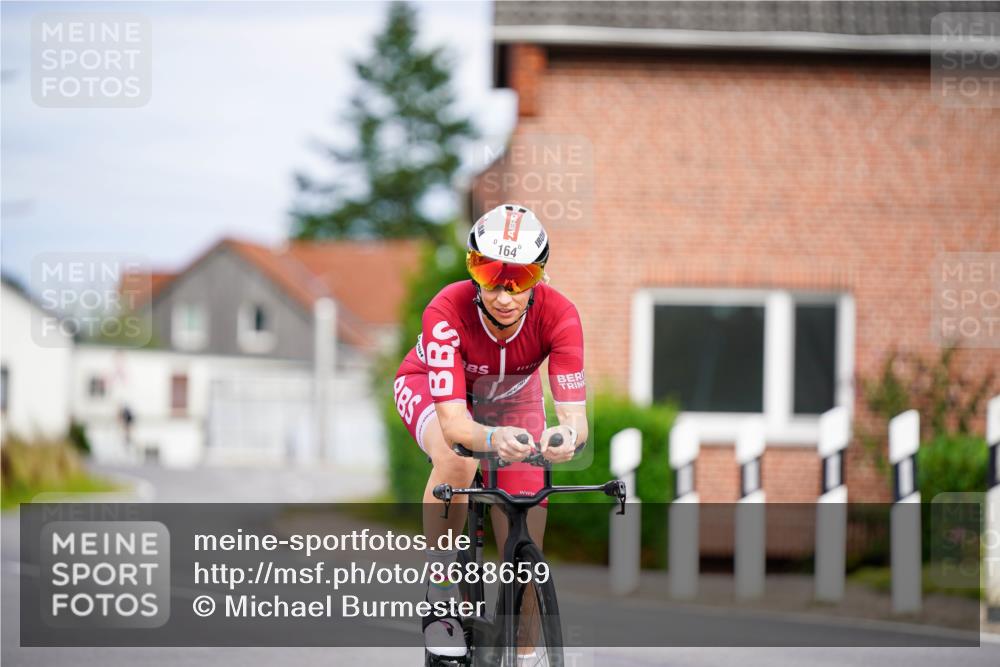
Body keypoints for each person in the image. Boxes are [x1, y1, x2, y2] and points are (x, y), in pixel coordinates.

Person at [393, 204, 589, 660]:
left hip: (513, 399)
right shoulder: (446, 309)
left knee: (526, 538)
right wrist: (490, 439)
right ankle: (441, 591)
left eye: (518, 279)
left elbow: (574, 419)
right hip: (435, 388)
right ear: (472, 270)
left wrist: (565, 437)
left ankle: (524, 654)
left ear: (539, 276)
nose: (503, 296)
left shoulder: (561, 315)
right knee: (457, 457)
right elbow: (455, 425)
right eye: (489, 276)